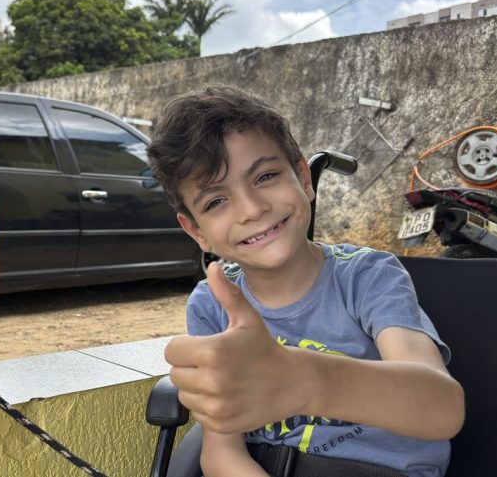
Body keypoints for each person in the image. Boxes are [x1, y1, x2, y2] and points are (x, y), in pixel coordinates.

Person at [146, 84, 464, 477]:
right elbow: (221, 452)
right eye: (216, 201)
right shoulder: (212, 303)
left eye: (264, 176)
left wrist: (305, 381)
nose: (252, 208)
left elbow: (441, 409)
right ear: (197, 231)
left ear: (303, 177)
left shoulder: (366, 277)